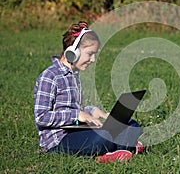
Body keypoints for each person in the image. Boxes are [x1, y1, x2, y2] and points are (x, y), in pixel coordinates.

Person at [34, 21, 143, 163]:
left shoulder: (74, 75)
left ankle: (117, 150)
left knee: (132, 124)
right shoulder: (50, 77)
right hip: (59, 140)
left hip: (77, 131)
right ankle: (123, 147)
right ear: (73, 52)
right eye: (90, 54)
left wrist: (94, 111)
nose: (93, 59)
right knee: (102, 136)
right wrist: (77, 115)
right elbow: (41, 117)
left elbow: (76, 109)